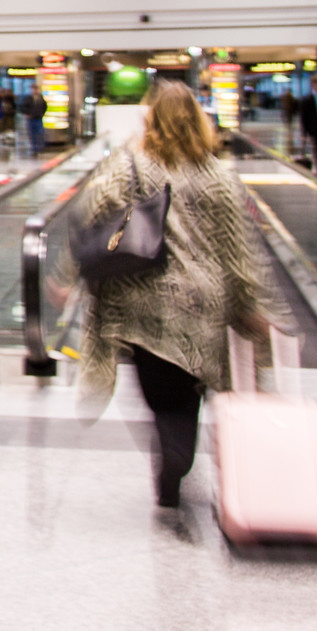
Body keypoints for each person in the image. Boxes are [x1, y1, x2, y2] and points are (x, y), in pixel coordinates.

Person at [71, 79, 277, 522]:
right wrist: (248, 305)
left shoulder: (130, 166)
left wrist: (67, 277)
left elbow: (90, 216)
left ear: (151, 119)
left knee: (160, 396)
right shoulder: (219, 177)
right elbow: (237, 251)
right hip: (203, 309)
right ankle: (178, 452)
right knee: (188, 393)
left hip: (146, 306)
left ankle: (172, 456)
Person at [18, 85, 46, 154]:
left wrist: (42, 113)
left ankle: (40, 147)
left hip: (38, 118)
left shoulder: (40, 98)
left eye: (35, 89)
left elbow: (44, 106)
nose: (34, 91)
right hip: (31, 118)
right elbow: (22, 107)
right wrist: (27, 113)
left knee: (40, 133)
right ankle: (34, 148)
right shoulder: (28, 98)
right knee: (32, 133)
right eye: (33, 89)